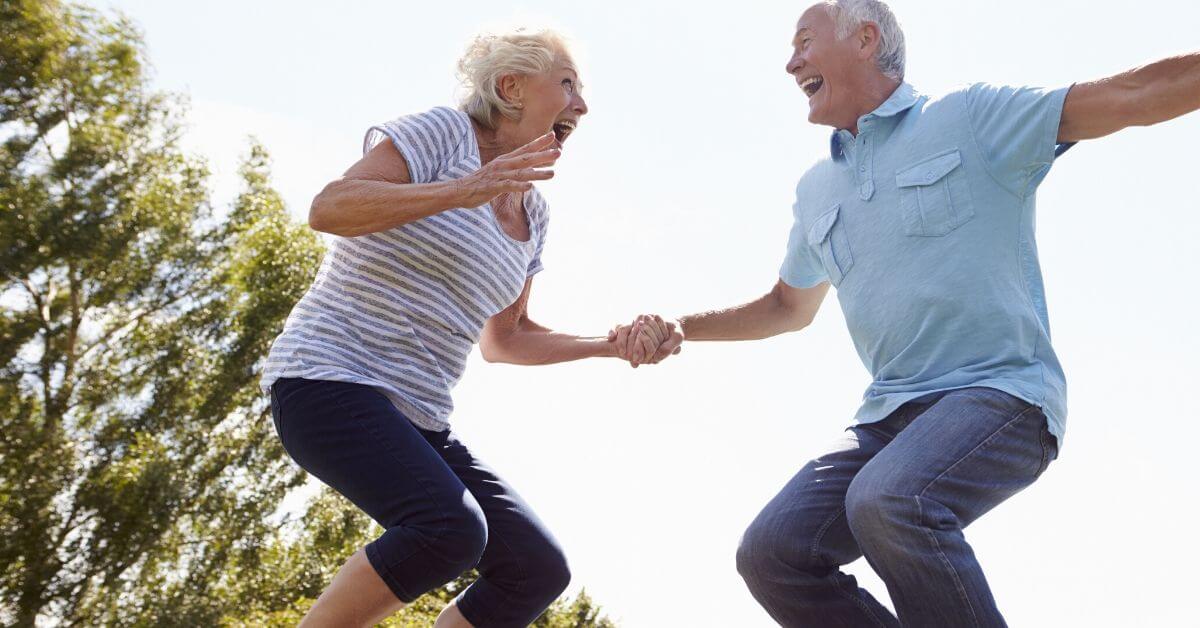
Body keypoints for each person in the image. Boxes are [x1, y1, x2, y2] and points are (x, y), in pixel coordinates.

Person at [613, 1, 1200, 625]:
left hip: (1001, 392)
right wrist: (684, 328)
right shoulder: (816, 189)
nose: (791, 63)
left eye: (805, 42)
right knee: (773, 551)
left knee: (888, 499)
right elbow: (787, 306)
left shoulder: (970, 119)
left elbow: (1131, 95)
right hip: (890, 417)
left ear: (865, 39)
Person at [261, 29, 676, 628]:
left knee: (534, 568)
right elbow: (330, 208)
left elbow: (507, 339)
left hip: (420, 416)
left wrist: (608, 346)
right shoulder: (443, 134)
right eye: (568, 86)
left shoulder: (532, 209)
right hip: (326, 380)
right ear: (510, 87)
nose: (581, 105)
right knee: (450, 529)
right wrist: (465, 189)